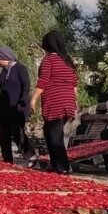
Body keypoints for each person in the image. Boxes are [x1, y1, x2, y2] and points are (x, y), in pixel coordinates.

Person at [29, 31, 78, 174]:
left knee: (55, 135)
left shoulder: (49, 60)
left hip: (54, 102)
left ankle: (62, 167)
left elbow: (43, 81)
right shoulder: (68, 61)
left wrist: (33, 99)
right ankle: (55, 164)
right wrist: (75, 103)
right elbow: (74, 84)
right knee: (50, 131)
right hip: (67, 102)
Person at [0, 46, 33, 164]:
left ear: (4, 57)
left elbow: (26, 86)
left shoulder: (20, 68)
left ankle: (30, 156)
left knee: (18, 134)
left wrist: (23, 102)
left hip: (17, 106)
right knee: (4, 135)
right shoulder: (1, 70)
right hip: (5, 107)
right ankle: (7, 161)